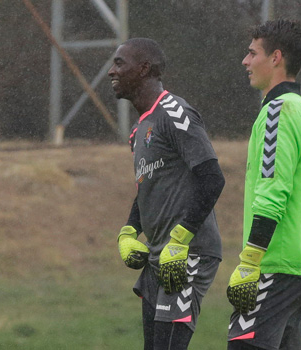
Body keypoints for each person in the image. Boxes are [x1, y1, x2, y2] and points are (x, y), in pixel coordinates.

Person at [108, 38, 225, 350]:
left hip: (189, 253)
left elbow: (212, 179)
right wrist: (130, 230)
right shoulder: (138, 131)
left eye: (120, 63)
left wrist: (181, 239)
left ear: (144, 68)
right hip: (158, 258)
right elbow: (147, 186)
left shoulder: (174, 112)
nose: (111, 71)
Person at [226, 19, 301, 350]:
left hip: (273, 267)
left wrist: (250, 260)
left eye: (252, 53)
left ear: (276, 58)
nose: (245, 61)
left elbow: (273, 191)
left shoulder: (277, 113)